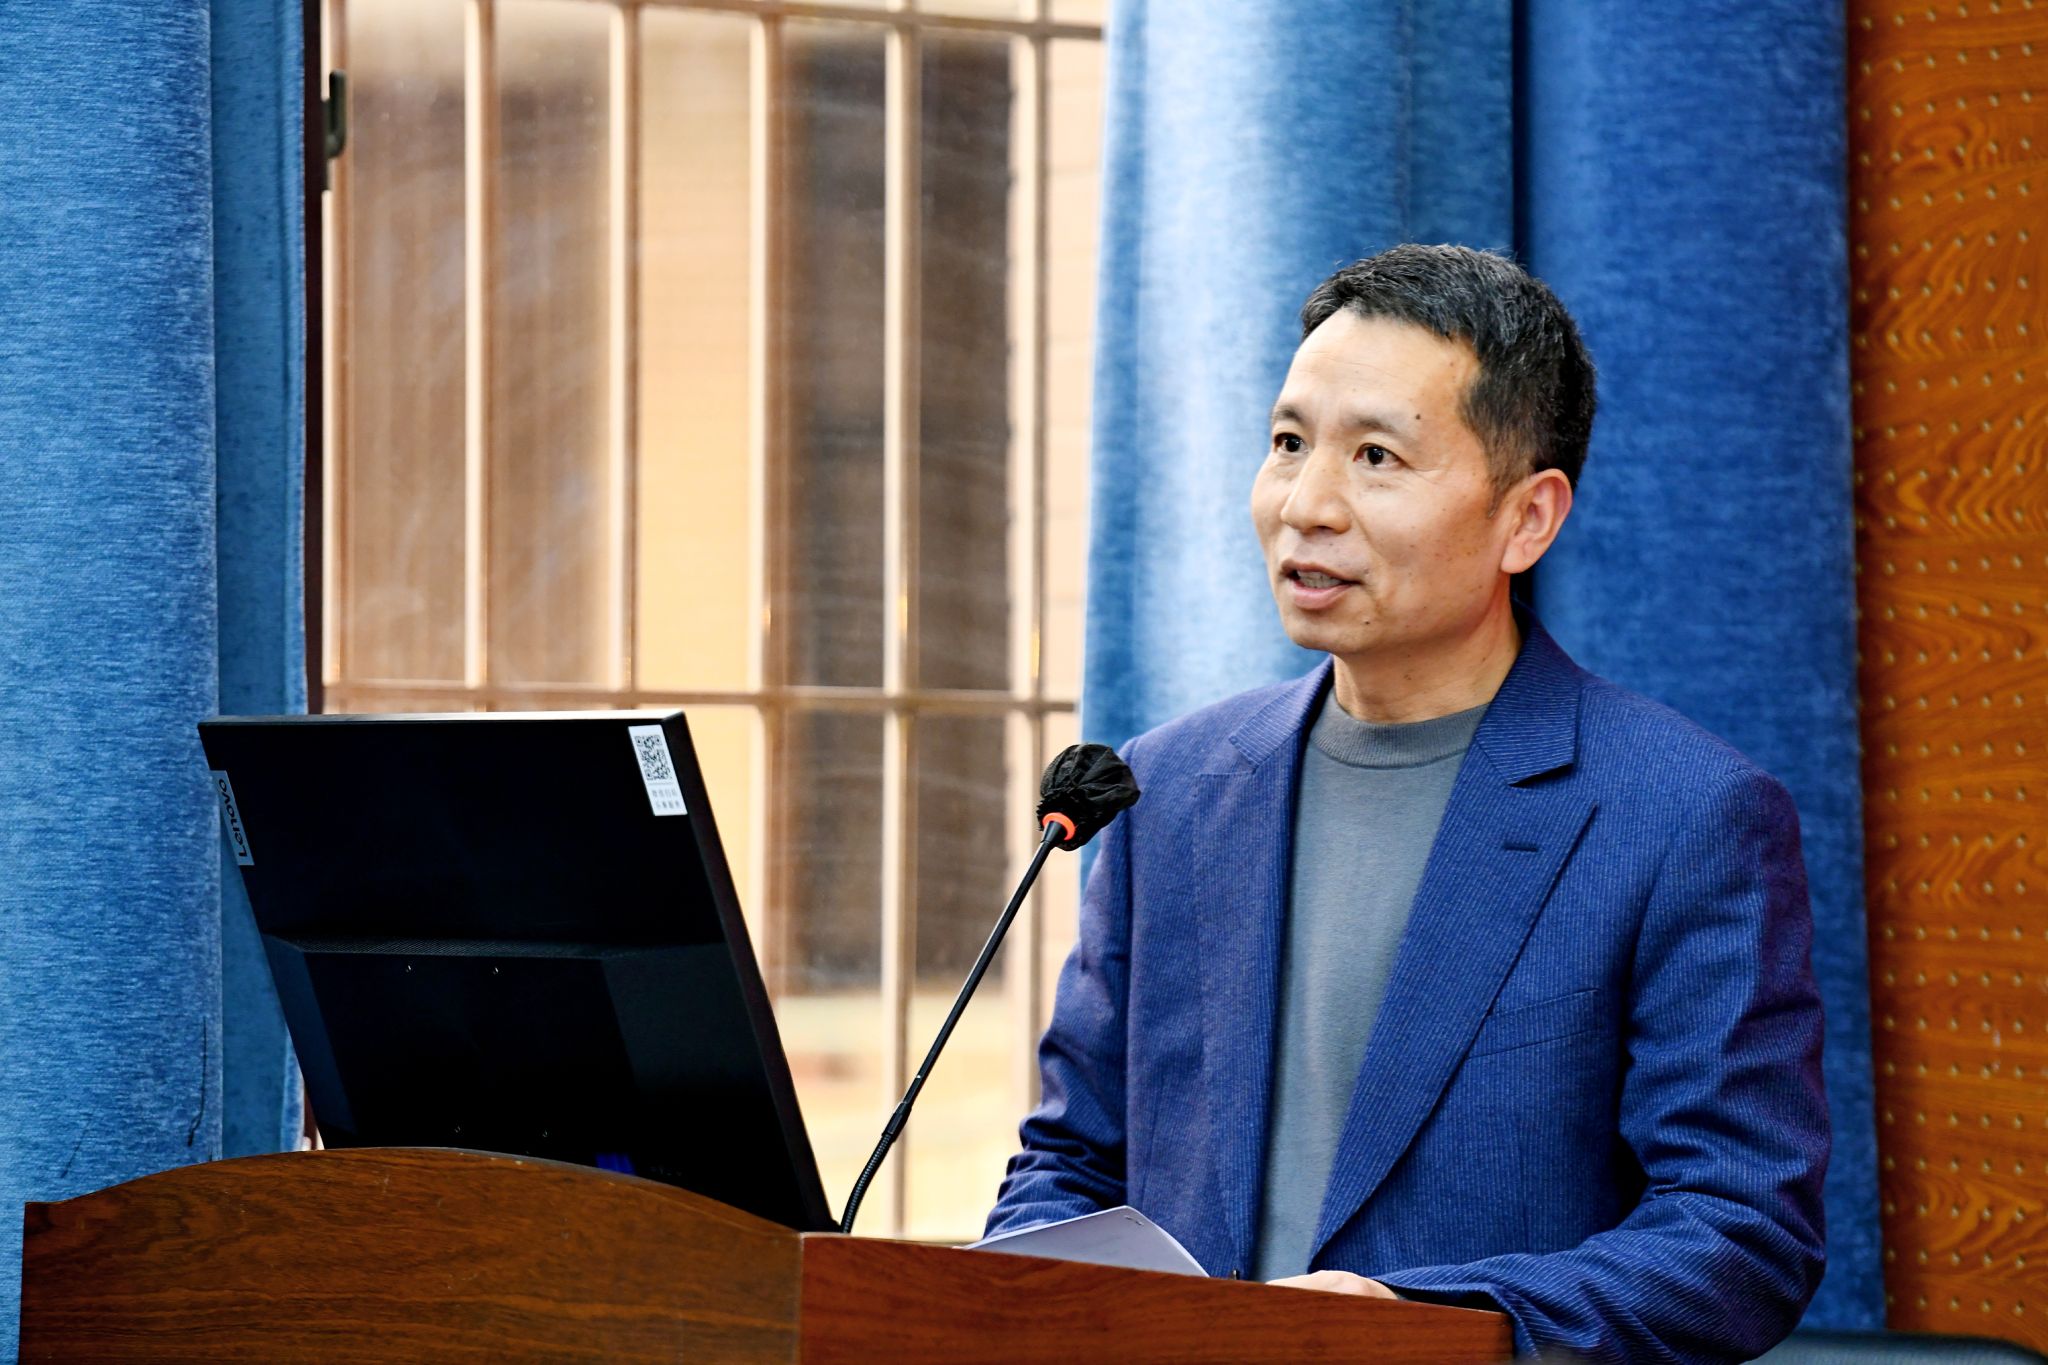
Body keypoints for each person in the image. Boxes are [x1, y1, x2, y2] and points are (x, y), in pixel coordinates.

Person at [984, 245, 1828, 1362]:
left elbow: (1738, 1230)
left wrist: (1427, 1326)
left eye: (1375, 456)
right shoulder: (1172, 789)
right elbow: (1069, 1165)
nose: (1306, 504)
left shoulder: (1683, 817)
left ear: (1527, 519)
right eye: (1289, 443)